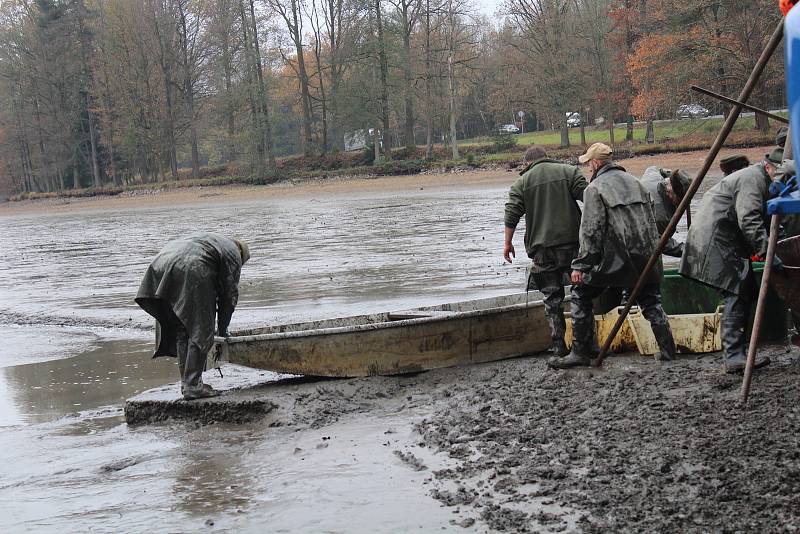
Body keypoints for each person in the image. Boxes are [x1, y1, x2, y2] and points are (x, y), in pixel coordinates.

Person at [548, 143, 676, 369]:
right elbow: (651, 224)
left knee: (580, 292)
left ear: (596, 163)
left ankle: (580, 351)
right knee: (650, 301)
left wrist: (580, 266)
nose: (588, 168)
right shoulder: (637, 183)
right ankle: (668, 350)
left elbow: (591, 231)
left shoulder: (594, 189)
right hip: (646, 258)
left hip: (616, 262)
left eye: (589, 164)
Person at [679, 149, 784, 373]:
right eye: (780, 175)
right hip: (715, 237)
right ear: (768, 167)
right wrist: (766, 251)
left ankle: (738, 352)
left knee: (745, 288)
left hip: (724, 236)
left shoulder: (766, 181)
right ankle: (734, 355)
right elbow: (749, 218)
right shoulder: (752, 179)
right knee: (737, 289)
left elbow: (768, 218)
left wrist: (778, 243)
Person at [135, 232, 250, 400]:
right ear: (242, 255)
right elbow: (229, 297)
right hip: (191, 268)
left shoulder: (214, 241)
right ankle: (193, 386)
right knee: (202, 329)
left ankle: (187, 382)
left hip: (162, 263)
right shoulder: (234, 253)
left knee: (183, 328)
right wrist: (223, 330)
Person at [504, 145, 588, 356]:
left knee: (552, 299)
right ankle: (585, 344)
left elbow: (512, 213)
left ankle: (559, 346)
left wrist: (508, 243)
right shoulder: (569, 172)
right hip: (573, 246)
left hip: (542, 250)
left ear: (527, 163)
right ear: (547, 158)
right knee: (581, 293)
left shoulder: (521, 183)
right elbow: (590, 198)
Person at [639, 166, 692, 257]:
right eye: (679, 200)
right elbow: (661, 243)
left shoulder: (653, 176)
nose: (681, 204)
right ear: (670, 191)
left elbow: (653, 168)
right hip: (639, 240)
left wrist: (673, 175)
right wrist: (687, 250)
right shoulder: (662, 216)